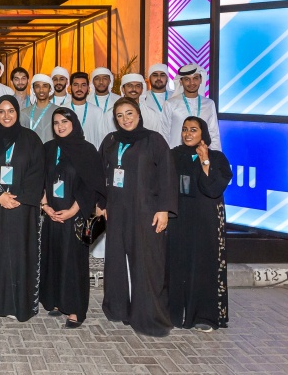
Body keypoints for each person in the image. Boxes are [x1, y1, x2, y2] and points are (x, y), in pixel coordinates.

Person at [99, 97, 178, 337]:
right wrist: (100, 204)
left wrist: (164, 209)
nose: (125, 119)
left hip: (146, 211)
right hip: (116, 211)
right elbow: (100, 174)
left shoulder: (154, 140)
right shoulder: (110, 141)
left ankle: (149, 316)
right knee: (116, 261)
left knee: (147, 263)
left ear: (138, 114)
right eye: (120, 115)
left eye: (129, 113)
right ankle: (118, 309)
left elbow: (167, 175)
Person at [0, 95, 46, 321]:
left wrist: (19, 199)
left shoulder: (31, 139)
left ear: (17, 112)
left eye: (11, 111)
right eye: (2, 111)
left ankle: (17, 306)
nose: (6, 116)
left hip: (21, 209)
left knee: (19, 254)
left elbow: (37, 172)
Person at [40, 108, 105, 328]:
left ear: (74, 123)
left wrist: (73, 210)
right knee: (54, 258)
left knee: (74, 263)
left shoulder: (87, 150)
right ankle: (58, 302)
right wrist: (45, 206)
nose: (60, 126)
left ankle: (76, 309)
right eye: (56, 122)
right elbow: (40, 178)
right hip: (52, 214)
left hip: (75, 216)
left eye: (64, 121)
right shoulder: (49, 148)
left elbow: (91, 185)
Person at [168, 116, 232, 333]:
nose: (188, 133)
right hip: (179, 218)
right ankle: (175, 313)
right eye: (185, 129)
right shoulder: (174, 155)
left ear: (203, 133)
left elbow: (213, 189)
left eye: (193, 129)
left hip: (206, 219)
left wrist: (205, 161)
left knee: (204, 264)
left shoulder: (217, 157)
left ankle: (204, 315)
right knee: (177, 263)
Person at [162, 64, 221, 150]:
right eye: (187, 79)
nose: (192, 83)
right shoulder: (170, 104)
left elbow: (214, 134)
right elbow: (164, 134)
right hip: (176, 154)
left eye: (195, 78)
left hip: (202, 154)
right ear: (181, 81)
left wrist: (216, 155)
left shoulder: (209, 104)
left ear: (201, 80)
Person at [68, 71, 108, 148]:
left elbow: (102, 138)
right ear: (70, 88)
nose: (79, 88)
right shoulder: (62, 110)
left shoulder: (97, 112)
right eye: (76, 85)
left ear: (88, 89)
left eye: (83, 85)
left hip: (92, 154)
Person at [25, 73, 58, 143]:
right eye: (37, 86)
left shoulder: (58, 112)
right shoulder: (24, 113)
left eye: (45, 86)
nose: (41, 90)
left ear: (50, 89)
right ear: (33, 89)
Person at [140, 64, 172, 133]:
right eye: (155, 75)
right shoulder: (142, 98)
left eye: (162, 75)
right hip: (149, 138)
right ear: (149, 78)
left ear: (167, 78)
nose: (159, 78)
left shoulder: (175, 97)